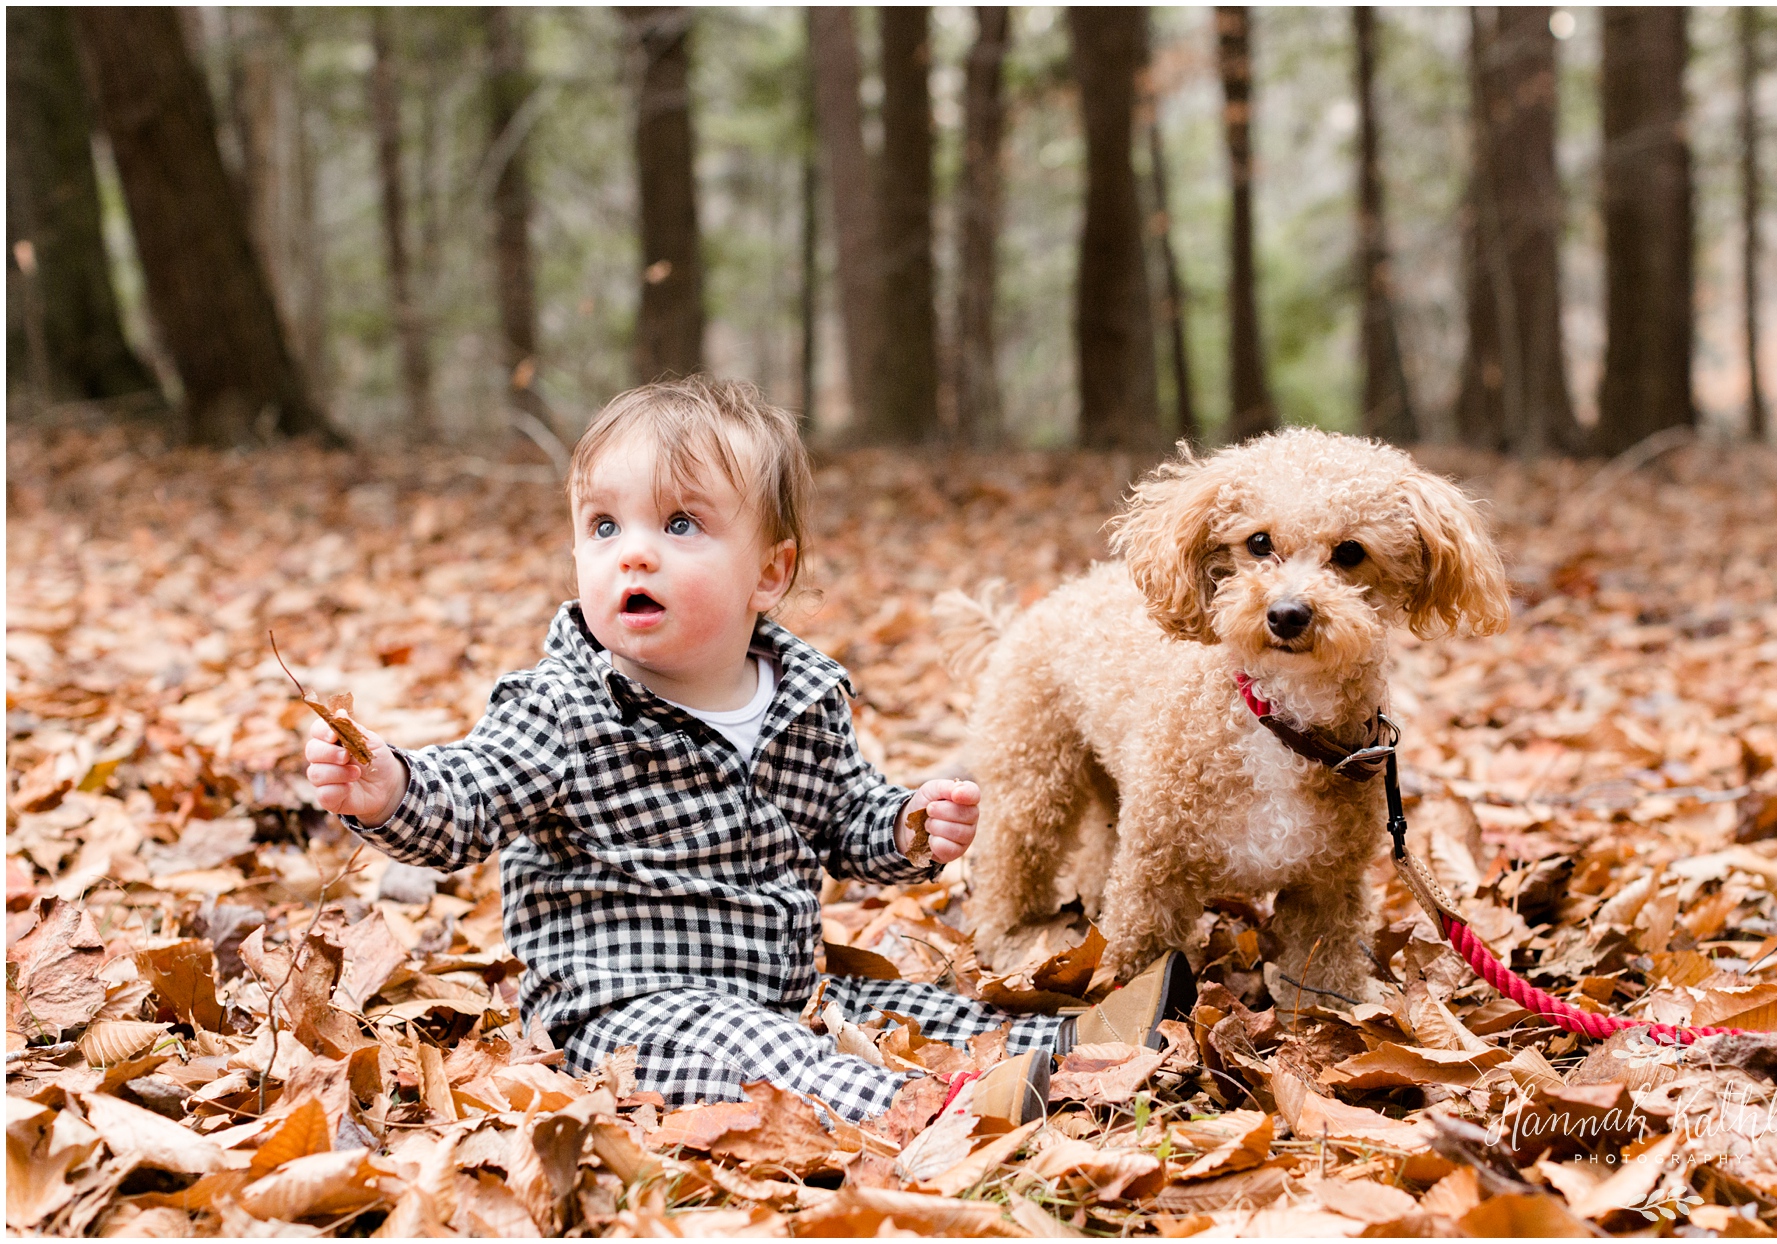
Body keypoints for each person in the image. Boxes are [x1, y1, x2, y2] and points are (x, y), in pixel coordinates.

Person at [303, 376, 1188, 1124]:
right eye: (604, 527)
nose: (633, 555)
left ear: (769, 572)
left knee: (904, 1006)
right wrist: (391, 788)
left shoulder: (800, 699)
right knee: (761, 1054)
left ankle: (1079, 1050)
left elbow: (847, 819)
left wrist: (909, 825)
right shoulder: (564, 706)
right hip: (623, 1012)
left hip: (777, 981)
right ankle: (933, 1112)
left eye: (680, 526)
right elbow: (470, 797)